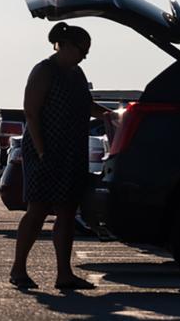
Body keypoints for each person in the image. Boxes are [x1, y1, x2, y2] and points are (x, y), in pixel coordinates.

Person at [9, 22, 111, 291]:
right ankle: (18, 269)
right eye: (81, 49)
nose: (84, 56)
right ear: (64, 45)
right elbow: (30, 112)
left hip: (71, 150)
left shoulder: (76, 73)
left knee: (66, 211)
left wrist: (110, 115)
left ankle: (64, 274)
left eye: (87, 52)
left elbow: (87, 105)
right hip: (45, 151)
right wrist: (42, 151)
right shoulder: (44, 71)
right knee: (38, 209)